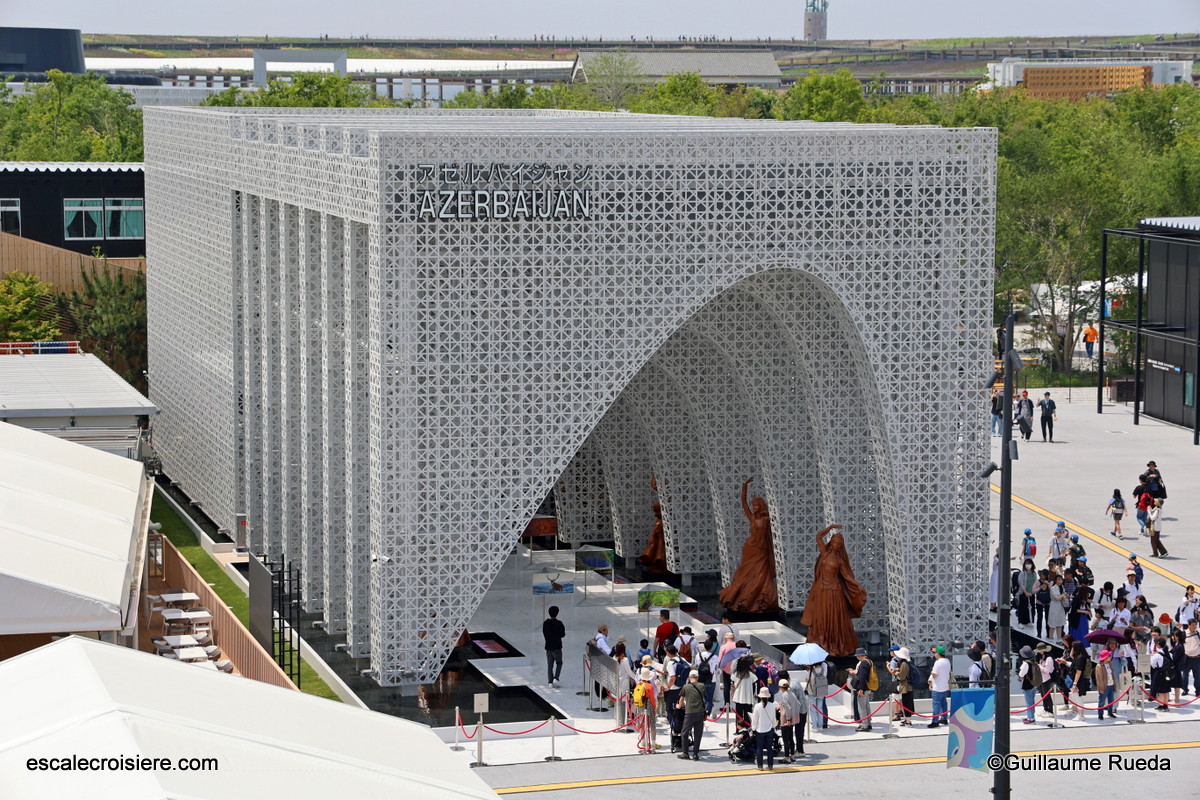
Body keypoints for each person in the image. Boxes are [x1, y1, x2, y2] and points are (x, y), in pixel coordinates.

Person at [800, 524, 868, 655]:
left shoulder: (839, 560)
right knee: (821, 616)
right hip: (821, 590)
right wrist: (830, 527)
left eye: (839, 543)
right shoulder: (824, 553)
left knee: (836, 616)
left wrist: (858, 586)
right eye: (835, 542)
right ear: (831, 543)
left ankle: (835, 642)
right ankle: (821, 642)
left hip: (835, 591)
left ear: (841, 546)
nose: (836, 544)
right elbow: (818, 536)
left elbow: (847, 576)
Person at [719, 478, 781, 612]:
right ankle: (741, 596)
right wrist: (744, 487)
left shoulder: (766, 519)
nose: (754, 507)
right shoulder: (752, 517)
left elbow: (778, 516)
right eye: (753, 505)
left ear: (762, 506)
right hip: (750, 548)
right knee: (746, 572)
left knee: (761, 574)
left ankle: (757, 599)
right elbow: (743, 503)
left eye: (757, 505)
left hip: (762, 550)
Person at [676, 669, 706, 760]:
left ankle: (685, 753)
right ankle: (695, 753)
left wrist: (679, 706)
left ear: (689, 677)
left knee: (684, 733)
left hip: (689, 712)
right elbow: (704, 696)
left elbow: (681, 699)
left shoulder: (686, 687)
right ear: (698, 677)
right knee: (698, 733)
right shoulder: (702, 686)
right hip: (700, 712)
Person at [775, 678, 807, 761]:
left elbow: (788, 708)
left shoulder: (784, 695)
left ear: (781, 687)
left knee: (786, 739)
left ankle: (787, 757)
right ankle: (792, 755)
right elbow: (798, 704)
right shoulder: (791, 693)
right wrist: (794, 713)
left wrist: (788, 719)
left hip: (786, 720)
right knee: (791, 739)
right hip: (793, 719)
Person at [749, 687, 778, 771]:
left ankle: (760, 765)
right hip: (769, 729)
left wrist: (753, 728)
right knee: (769, 748)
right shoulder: (772, 705)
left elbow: (755, 719)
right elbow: (773, 718)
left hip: (760, 729)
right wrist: (773, 726)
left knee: (759, 748)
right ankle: (770, 765)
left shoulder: (757, 706)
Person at [849, 647, 874, 732]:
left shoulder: (863, 663)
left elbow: (862, 677)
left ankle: (864, 725)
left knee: (862, 707)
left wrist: (860, 689)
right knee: (867, 706)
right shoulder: (869, 661)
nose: (856, 657)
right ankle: (869, 723)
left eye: (857, 655)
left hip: (863, 688)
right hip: (868, 687)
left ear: (860, 655)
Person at [927, 646, 951, 728]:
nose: (934, 654)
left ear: (938, 653)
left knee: (936, 704)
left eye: (935, 653)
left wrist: (931, 675)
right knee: (943, 703)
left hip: (937, 686)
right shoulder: (947, 661)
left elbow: (935, 674)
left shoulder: (938, 662)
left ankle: (935, 721)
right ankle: (944, 718)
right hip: (944, 685)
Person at [731, 654, 757, 726]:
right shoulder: (751, 675)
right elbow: (754, 686)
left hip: (738, 697)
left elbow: (733, 684)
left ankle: (738, 728)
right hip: (748, 697)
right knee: (748, 715)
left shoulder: (735, 674)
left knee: (738, 715)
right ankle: (747, 729)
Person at [543, 605, 565, 687]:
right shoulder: (559, 623)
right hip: (557, 647)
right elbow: (562, 634)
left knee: (550, 665)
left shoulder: (545, 623)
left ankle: (550, 682)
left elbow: (544, 633)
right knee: (559, 663)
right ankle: (556, 678)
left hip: (548, 647)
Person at [1149, 638, 1174, 710]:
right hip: (1168, 674)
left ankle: (1161, 705)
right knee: (1166, 690)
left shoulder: (1156, 655)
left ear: (1158, 645)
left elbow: (1153, 664)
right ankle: (1166, 705)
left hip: (1159, 673)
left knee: (1160, 691)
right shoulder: (1169, 654)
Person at [805, 659, 830, 729]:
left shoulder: (811, 671)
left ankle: (814, 726)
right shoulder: (824, 670)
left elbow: (807, 680)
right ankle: (820, 725)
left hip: (812, 692)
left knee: (813, 710)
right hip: (821, 691)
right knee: (820, 709)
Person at [1094, 649, 1117, 720]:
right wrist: (1101, 688)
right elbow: (1099, 678)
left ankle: (1110, 712)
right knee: (1102, 701)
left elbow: (1112, 674)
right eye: (1109, 656)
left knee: (1111, 699)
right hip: (1104, 686)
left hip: (1111, 684)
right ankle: (1100, 714)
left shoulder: (1109, 664)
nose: (1110, 657)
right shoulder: (1099, 666)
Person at [1048, 574, 1067, 643]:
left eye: (1061, 580)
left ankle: (1059, 638)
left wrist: (1065, 595)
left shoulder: (1062, 587)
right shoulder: (1053, 588)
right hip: (1054, 606)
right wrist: (1063, 595)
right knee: (1053, 623)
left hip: (1060, 606)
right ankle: (1050, 638)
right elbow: (1056, 598)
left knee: (1060, 623)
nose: (1060, 581)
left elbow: (1063, 596)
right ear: (1055, 580)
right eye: (1058, 580)